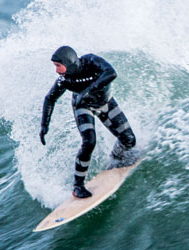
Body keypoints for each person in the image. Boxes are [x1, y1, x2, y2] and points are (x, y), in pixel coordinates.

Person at [39, 46, 137, 198]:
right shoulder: (64, 80)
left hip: (105, 103)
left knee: (129, 140)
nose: (57, 70)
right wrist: (44, 125)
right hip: (83, 107)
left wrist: (86, 91)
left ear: (68, 62)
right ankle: (78, 186)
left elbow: (111, 73)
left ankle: (116, 159)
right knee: (89, 141)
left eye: (58, 65)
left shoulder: (91, 61)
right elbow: (50, 98)